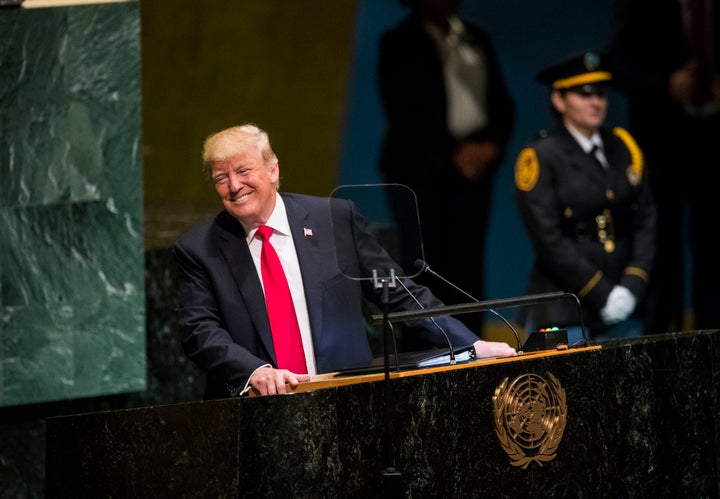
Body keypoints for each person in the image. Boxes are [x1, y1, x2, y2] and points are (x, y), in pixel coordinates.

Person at [173, 123, 516, 399]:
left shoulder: (332, 218)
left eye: (244, 170)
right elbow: (199, 331)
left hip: (346, 398)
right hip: (256, 407)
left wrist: (470, 344)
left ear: (273, 169)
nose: (235, 185)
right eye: (221, 178)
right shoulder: (199, 248)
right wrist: (254, 372)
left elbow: (398, 294)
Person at [377, 0, 515, 334]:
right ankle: (426, 357)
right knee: (426, 267)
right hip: (421, 173)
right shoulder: (398, 40)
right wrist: (454, 154)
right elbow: (404, 110)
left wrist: (490, 149)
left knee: (468, 267)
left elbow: (504, 104)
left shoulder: (474, 36)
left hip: (474, 175)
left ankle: (472, 350)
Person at [513, 51, 657, 343]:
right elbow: (548, 239)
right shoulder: (541, 156)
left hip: (625, 301)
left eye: (600, 94)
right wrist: (602, 294)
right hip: (565, 305)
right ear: (559, 100)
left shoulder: (623, 147)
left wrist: (632, 284)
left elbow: (645, 219)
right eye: (583, 94)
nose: (595, 102)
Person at [607, 0, 720, 334]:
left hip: (713, 150)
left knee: (714, 258)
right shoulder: (646, 8)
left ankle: (711, 354)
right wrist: (666, 84)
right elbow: (619, 64)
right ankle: (659, 358)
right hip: (661, 151)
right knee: (660, 258)